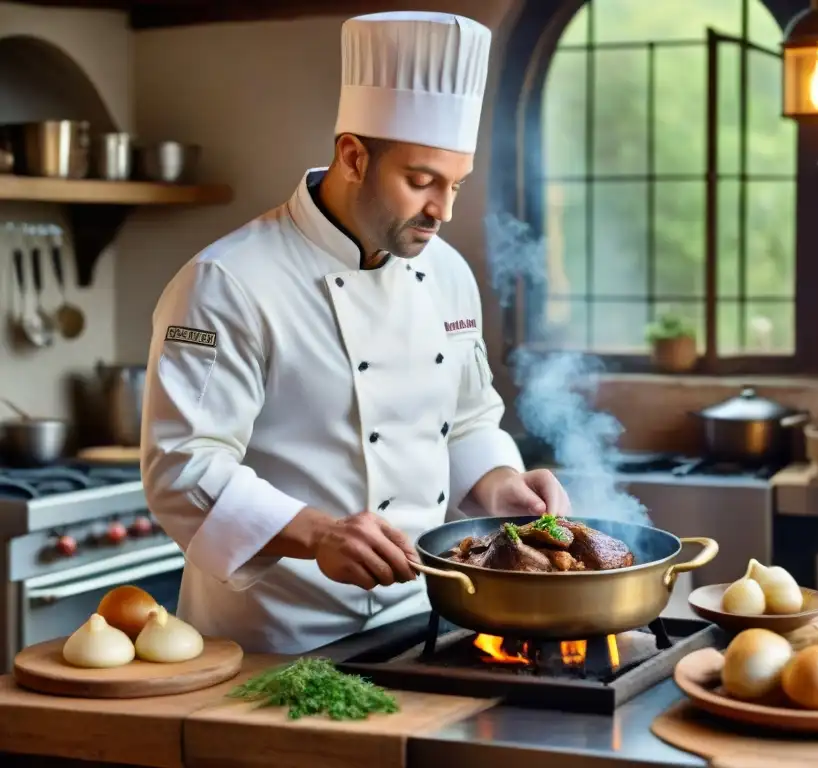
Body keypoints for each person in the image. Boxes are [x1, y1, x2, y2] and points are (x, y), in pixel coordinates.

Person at [140, 11, 571, 655]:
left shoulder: (447, 272)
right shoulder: (227, 281)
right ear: (352, 155)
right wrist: (317, 535)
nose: (443, 211)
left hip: (422, 616)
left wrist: (496, 482)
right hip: (278, 638)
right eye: (421, 181)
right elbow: (182, 466)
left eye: (455, 185)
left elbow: (466, 420)